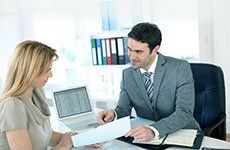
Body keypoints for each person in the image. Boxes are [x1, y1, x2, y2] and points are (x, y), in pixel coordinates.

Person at [98, 22, 201, 142]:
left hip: (182, 133)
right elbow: (123, 109)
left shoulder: (180, 68)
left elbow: (184, 112)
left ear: (155, 49)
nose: (131, 56)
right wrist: (113, 114)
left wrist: (153, 130)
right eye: (129, 50)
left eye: (139, 52)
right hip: (146, 137)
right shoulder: (127, 74)